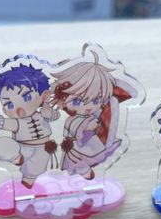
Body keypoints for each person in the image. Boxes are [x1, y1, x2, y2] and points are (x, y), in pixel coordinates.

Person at [51, 51, 131, 179]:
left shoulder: (90, 115)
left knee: (86, 158)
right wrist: (88, 127)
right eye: (77, 102)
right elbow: (77, 131)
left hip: (89, 144)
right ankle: (83, 172)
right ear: (62, 103)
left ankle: (83, 173)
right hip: (80, 147)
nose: (88, 106)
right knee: (78, 160)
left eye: (96, 100)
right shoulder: (73, 120)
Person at [0, 63, 60, 188]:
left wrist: (49, 113)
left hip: (43, 148)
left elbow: (55, 116)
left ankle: (29, 180)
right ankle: (17, 159)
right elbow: (4, 123)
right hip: (22, 149)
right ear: (5, 110)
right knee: (1, 143)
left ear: (44, 96)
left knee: (37, 166)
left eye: (27, 97)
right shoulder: (17, 123)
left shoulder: (43, 115)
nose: (19, 109)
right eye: (10, 105)